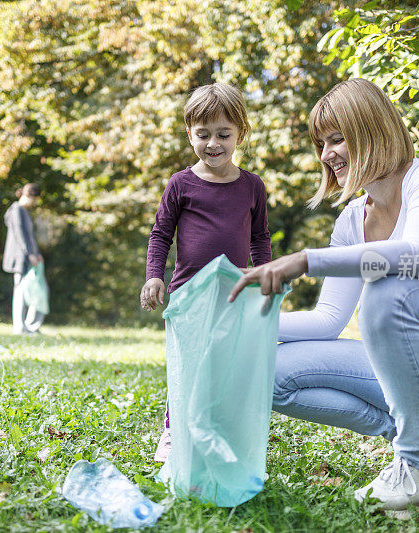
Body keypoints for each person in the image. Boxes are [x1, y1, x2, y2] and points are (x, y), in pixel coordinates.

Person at [228, 78, 419, 517]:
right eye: (321, 143)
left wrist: (305, 260)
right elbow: (327, 320)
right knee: (265, 369)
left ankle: (416, 468)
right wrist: (243, 326)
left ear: (371, 128)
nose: (326, 155)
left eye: (337, 138)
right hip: (418, 383)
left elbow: (418, 255)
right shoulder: (351, 221)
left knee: (388, 287)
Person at [140, 82, 272, 462]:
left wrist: (264, 278)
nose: (213, 143)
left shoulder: (252, 186)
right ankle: (173, 432)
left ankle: (216, 430)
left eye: (223, 134)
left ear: (240, 135)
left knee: (224, 367)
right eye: (203, 134)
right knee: (188, 367)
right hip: (187, 296)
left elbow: (260, 238)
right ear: (189, 134)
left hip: (233, 294)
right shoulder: (181, 184)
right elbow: (161, 233)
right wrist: (154, 276)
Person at [3, 182, 46, 335]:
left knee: (28, 291)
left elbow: (30, 237)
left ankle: (28, 325)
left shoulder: (25, 212)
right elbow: (20, 235)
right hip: (19, 258)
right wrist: (30, 254)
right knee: (20, 291)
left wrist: (37, 252)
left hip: (28, 257)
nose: (34, 203)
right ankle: (19, 327)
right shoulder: (16, 210)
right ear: (28, 195)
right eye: (34, 200)